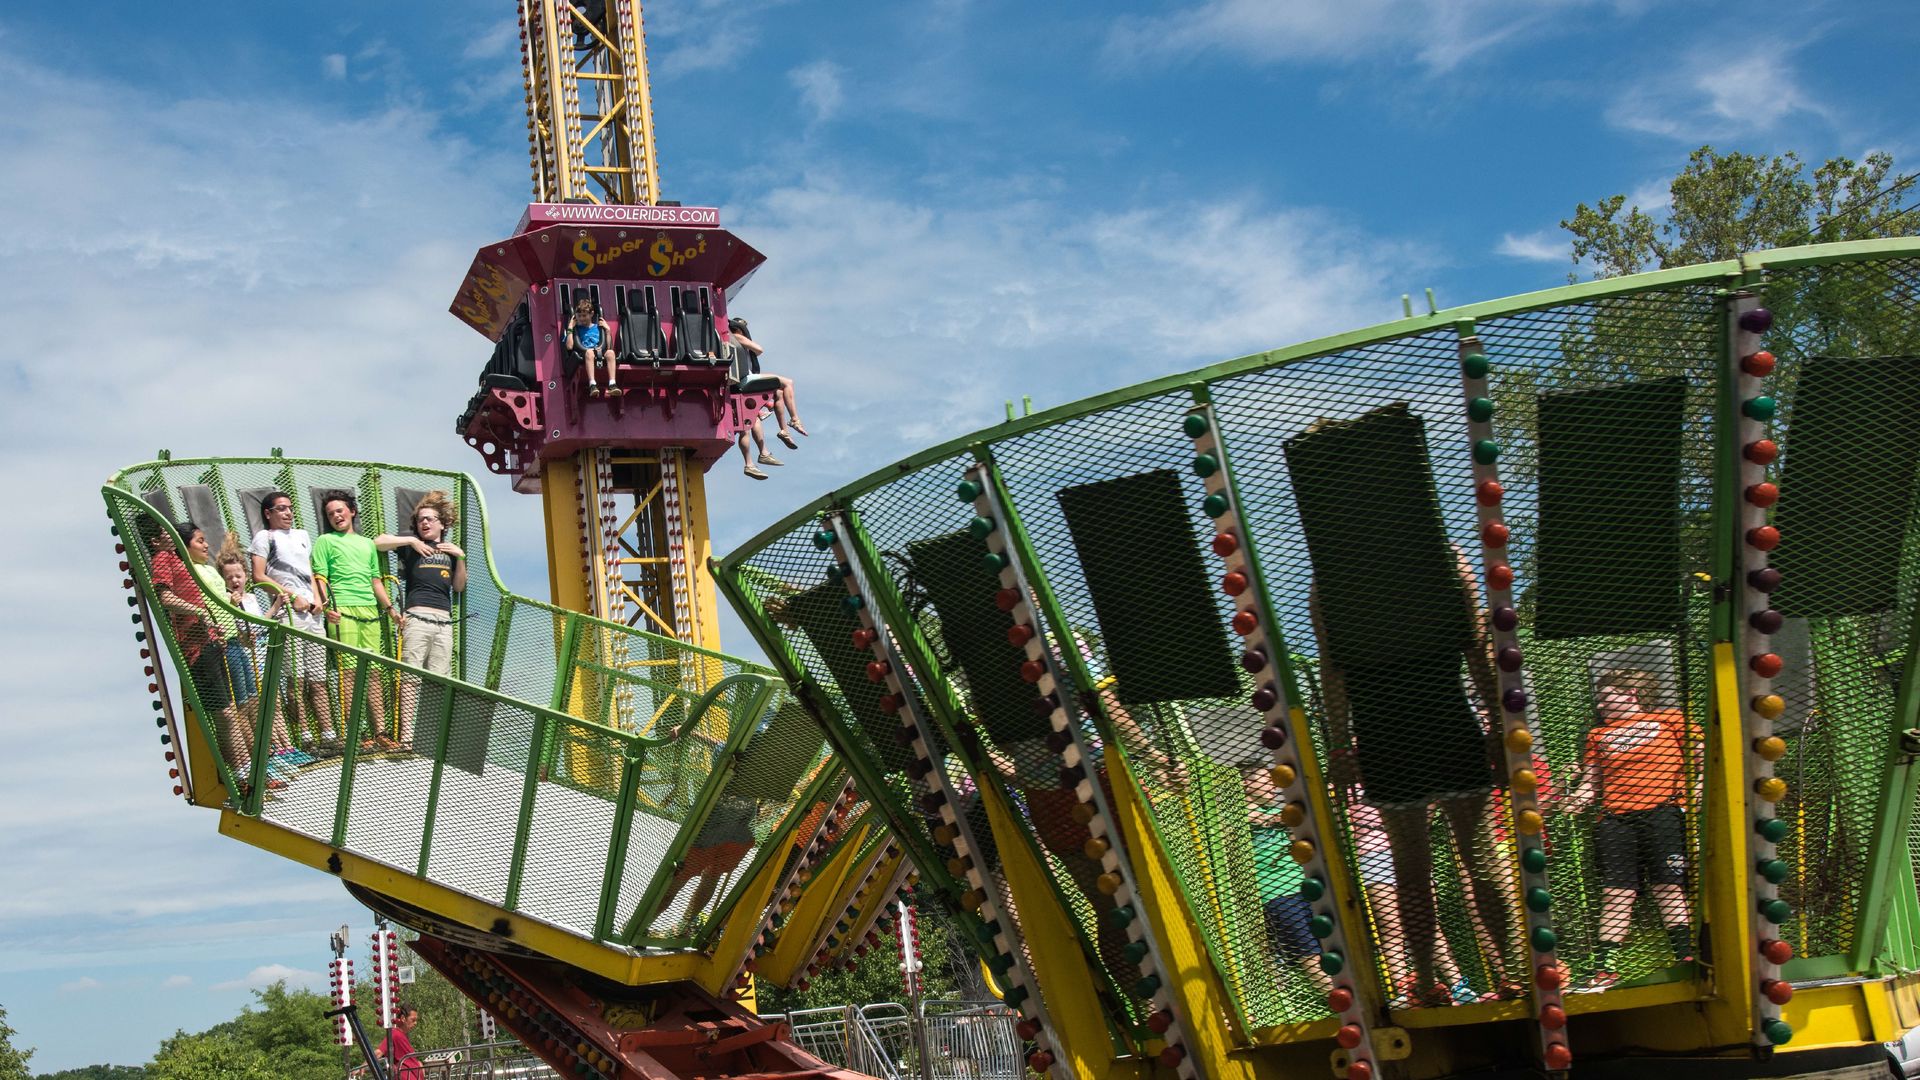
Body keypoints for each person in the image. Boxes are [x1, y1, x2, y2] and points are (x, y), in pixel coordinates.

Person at [1314, 542, 1523, 1004]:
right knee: (1468, 856)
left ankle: (1456, 977)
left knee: (1428, 865)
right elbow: (1477, 644)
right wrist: (1494, 720)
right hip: (1437, 724)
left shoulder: (1333, 577)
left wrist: (1341, 742)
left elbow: (1333, 671)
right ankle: (1462, 976)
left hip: (1394, 732)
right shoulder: (1439, 557)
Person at [1564, 668, 1694, 986]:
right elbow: (1591, 784)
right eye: (1598, 701)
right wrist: (1572, 802)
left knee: (1668, 887)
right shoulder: (1597, 736)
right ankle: (1605, 968)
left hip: (1662, 813)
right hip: (1616, 820)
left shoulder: (1672, 720)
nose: (1600, 706)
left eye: (1606, 698)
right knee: (1616, 893)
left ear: (1631, 695)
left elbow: (1700, 760)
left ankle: (1687, 956)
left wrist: (1697, 796)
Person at [147, 520, 264, 791]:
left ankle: (250, 774)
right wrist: (199, 612)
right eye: (199, 540)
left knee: (231, 711)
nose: (206, 544)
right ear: (157, 541)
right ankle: (238, 776)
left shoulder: (180, 562)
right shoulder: (164, 558)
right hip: (196, 647)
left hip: (209, 640)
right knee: (224, 713)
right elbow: (164, 596)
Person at [375, 491, 467, 752]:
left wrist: (460, 558)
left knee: (439, 680)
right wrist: (411, 541)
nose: (424, 524)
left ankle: (433, 739)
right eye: (420, 520)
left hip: (444, 621)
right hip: (416, 617)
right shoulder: (412, 545)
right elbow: (378, 542)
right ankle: (407, 738)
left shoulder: (450, 552)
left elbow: (459, 586)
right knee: (410, 677)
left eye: (430, 519)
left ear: (442, 524)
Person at [213, 540, 307, 777]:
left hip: (262, 652)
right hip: (248, 656)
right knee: (260, 705)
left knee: (274, 701)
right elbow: (239, 631)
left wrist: (275, 607)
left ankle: (286, 747)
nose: (235, 581)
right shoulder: (229, 601)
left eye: (238, 575)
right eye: (230, 578)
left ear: (245, 575)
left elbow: (259, 623)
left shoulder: (252, 599)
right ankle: (273, 748)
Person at [312, 490, 398, 748]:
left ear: (352, 511)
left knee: (372, 671)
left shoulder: (367, 544)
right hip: (343, 611)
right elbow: (320, 578)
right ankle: (354, 733)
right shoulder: (325, 541)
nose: (336, 516)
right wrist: (327, 608)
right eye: (330, 514)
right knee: (348, 673)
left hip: (370, 612)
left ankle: (380, 732)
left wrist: (391, 609)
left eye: (340, 510)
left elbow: (375, 581)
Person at [250, 491, 335, 753]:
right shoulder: (265, 537)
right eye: (281, 509)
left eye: (290, 508)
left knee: (318, 678)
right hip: (289, 613)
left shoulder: (301, 536)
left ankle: (329, 735)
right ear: (269, 513)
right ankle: (306, 737)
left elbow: (309, 571)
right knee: (295, 679)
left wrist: (319, 598)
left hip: (313, 612)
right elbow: (258, 575)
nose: (288, 513)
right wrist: (291, 596)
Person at [1242, 764, 1329, 999]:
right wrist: (1280, 819)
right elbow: (1250, 819)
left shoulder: (1277, 812)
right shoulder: (1239, 814)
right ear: (1246, 784)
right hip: (1276, 895)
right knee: (1307, 954)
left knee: (1327, 944)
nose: (1273, 785)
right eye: (1266, 779)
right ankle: (1336, 997)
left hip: (1305, 889)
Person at [728, 317, 806, 446]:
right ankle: (795, 419)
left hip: (747, 376)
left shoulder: (736, 339)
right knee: (788, 383)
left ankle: (784, 431)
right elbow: (759, 349)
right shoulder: (737, 336)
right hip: (746, 377)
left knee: (779, 393)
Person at [566, 294, 618, 397]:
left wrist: (607, 331)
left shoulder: (598, 327)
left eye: (584, 316)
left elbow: (608, 347)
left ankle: (612, 384)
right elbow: (569, 347)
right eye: (579, 316)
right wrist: (570, 327)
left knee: (611, 353)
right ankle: (592, 385)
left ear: (591, 314)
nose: (582, 318)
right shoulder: (576, 329)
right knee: (589, 352)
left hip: (599, 351)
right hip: (585, 353)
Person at [374, 1003, 424, 1080]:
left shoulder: (402, 1036)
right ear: (403, 1018)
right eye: (413, 1020)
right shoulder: (395, 1034)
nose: (415, 1023)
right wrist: (362, 1067)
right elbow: (379, 1052)